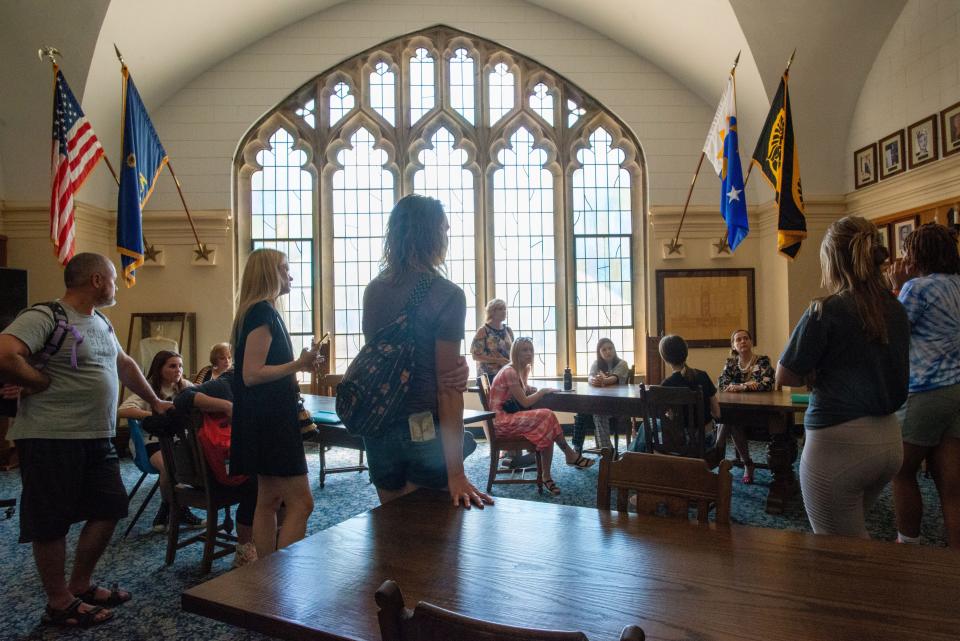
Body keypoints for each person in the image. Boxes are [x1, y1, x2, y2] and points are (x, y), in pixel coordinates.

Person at [0, 253, 173, 627]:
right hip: (50, 436)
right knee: (51, 521)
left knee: (110, 508)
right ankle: (58, 601)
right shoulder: (46, 315)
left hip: (96, 436)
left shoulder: (102, 322)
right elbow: (5, 353)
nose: (116, 285)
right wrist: (39, 382)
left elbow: (124, 364)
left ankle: (80, 584)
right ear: (96, 280)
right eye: (113, 278)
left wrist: (156, 399)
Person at [777, 216, 909, 538]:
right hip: (890, 440)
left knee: (837, 555)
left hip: (838, 444)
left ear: (833, 261)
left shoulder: (825, 311)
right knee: (853, 536)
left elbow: (785, 374)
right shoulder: (895, 307)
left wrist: (815, 368)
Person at [361, 194, 490, 508]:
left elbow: (380, 362)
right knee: (434, 540)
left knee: (390, 531)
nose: (447, 237)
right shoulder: (447, 295)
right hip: (422, 427)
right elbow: (448, 389)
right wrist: (456, 473)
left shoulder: (374, 290)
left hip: (378, 429)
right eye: (444, 230)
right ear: (432, 235)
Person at [230, 248, 321, 558]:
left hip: (261, 419)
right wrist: (299, 364)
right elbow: (251, 375)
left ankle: (266, 577)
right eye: (284, 269)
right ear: (269, 275)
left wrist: (301, 364)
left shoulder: (255, 312)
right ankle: (282, 572)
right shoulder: (263, 314)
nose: (290, 275)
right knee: (302, 503)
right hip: (271, 422)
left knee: (267, 501)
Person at [887, 223, 960, 547]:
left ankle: (909, 547)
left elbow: (892, 334)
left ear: (918, 254)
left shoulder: (917, 289)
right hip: (958, 390)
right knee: (951, 483)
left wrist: (898, 287)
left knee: (901, 471)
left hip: (927, 390)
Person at [173, 367, 260, 566]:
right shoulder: (226, 384)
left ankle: (269, 543)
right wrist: (227, 406)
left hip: (230, 461)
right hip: (214, 470)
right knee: (262, 483)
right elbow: (182, 398)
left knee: (278, 477)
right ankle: (245, 551)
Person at [488, 337, 595, 495]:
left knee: (547, 424)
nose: (529, 353)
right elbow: (524, 402)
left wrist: (534, 389)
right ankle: (566, 458)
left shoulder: (521, 369)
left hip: (508, 416)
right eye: (524, 350)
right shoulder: (510, 371)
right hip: (500, 422)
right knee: (547, 416)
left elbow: (521, 391)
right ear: (516, 352)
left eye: (531, 349)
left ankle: (550, 472)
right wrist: (542, 392)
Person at [118, 350, 204, 531]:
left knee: (199, 459)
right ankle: (175, 507)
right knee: (168, 465)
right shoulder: (148, 389)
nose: (178, 370)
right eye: (172, 366)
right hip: (150, 442)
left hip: (179, 440)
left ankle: (171, 507)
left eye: (180, 366)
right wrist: (155, 413)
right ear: (159, 369)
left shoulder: (185, 387)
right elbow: (123, 410)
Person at [638, 335, 720, 452]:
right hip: (705, 441)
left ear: (664, 358)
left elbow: (669, 418)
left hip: (679, 443)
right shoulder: (703, 375)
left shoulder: (666, 384)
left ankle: (632, 457)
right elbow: (717, 413)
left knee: (646, 426)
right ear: (686, 352)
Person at [716, 329, 775, 484]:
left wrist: (741, 387)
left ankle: (715, 454)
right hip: (737, 411)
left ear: (751, 342)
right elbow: (722, 384)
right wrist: (749, 385)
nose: (743, 341)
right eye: (738, 340)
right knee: (731, 420)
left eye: (746, 338)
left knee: (728, 418)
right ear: (734, 346)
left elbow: (766, 384)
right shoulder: (730, 363)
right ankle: (748, 463)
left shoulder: (762, 361)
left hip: (759, 411)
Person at [588, 337, 631, 451]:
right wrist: (593, 380)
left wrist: (603, 380)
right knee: (583, 412)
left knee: (599, 412)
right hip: (600, 402)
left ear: (614, 349)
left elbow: (614, 379)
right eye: (604, 350)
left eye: (610, 348)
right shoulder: (596, 363)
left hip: (619, 404)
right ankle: (579, 449)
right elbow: (590, 376)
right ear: (599, 352)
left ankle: (606, 450)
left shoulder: (622, 364)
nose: (608, 351)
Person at [470, 299, 513, 379]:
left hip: (507, 374)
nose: (504, 311)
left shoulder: (508, 330)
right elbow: (475, 356)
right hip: (488, 376)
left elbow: (513, 352)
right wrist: (498, 360)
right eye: (500, 309)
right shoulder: (483, 331)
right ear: (492, 311)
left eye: (505, 309)